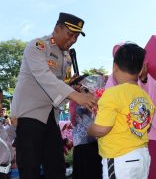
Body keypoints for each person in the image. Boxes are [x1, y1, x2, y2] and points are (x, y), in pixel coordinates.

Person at [11, 12, 98, 179]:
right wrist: (75, 96)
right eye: (70, 34)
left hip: (51, 117)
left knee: (56, 167)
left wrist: (74, 87)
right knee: (30, 169)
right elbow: (44, 76)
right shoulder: (38, 46)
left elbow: (59, 87)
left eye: (77, 37)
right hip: (30, 114)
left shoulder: (66, 57)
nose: (73, 40)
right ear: (57, 29)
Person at [88, 43, 155, 179]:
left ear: (115, 67)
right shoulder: (145, 97)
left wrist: (90, 129)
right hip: (142, 156)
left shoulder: (112, 93)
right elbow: (142, 125)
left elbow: (101, 129)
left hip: (120, 158)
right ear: (141, 70)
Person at [105, 42, 156, 179]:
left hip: (139, 139)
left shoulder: (150, 80)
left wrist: (143, 80)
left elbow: (148, 106)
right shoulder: (112, 80)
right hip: (128, 141)